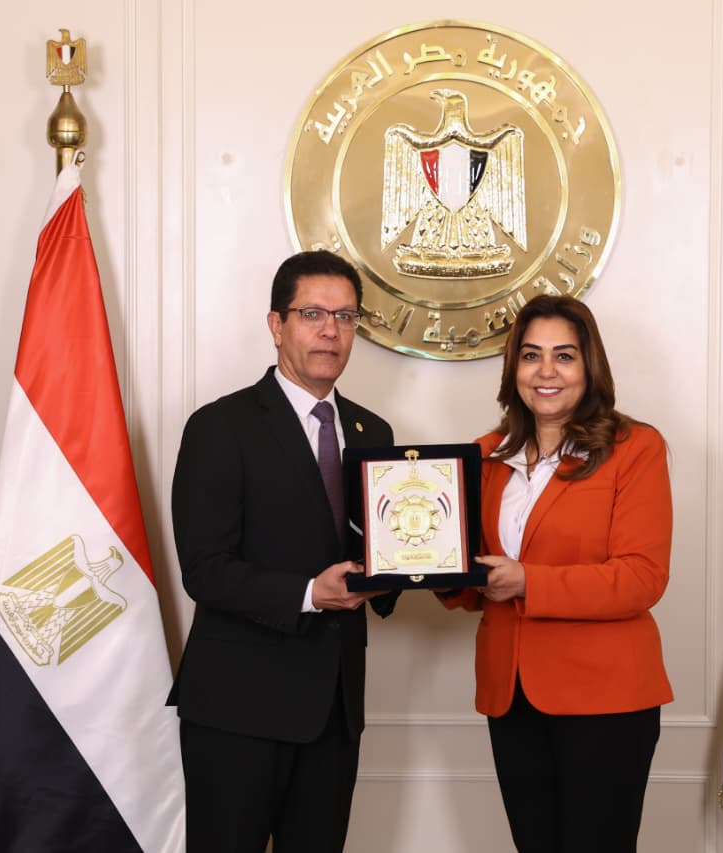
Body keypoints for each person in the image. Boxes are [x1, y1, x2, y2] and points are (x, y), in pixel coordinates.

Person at [168, 250, 394, 853]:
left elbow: (380, 552)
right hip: (238, 709)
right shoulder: (220, 426)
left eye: (345, 317)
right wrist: (309, 594)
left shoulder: (374, 433)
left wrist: (410, 572)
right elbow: (204, 570)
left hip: (334, 710)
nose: (331, 331)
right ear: (276, 324)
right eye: (312, 313)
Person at [438, 294, 674, 852]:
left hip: (606, 698)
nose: (546, 371)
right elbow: (474, 576)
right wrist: (433, 572)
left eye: (564, 356)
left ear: (590, 368)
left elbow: (642, 577)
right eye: (531, 355)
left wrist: (530, 582)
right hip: (511, 694)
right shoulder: (483, 456)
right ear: (512, 368)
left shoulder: (634, 448)